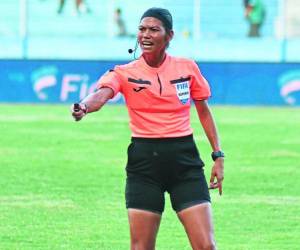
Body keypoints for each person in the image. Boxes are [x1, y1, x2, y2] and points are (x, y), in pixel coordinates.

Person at [71, 7, 224, 250]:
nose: (146, 35)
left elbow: (203, 111)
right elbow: (102, 94)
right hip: (144, 165)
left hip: (185, 162)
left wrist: (218, 155)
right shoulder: (124, 72)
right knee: (141, 248)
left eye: (154, 30)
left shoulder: (187, 68)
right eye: (142, 29)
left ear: (169, 36)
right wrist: (84, 107)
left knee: (206, 246)